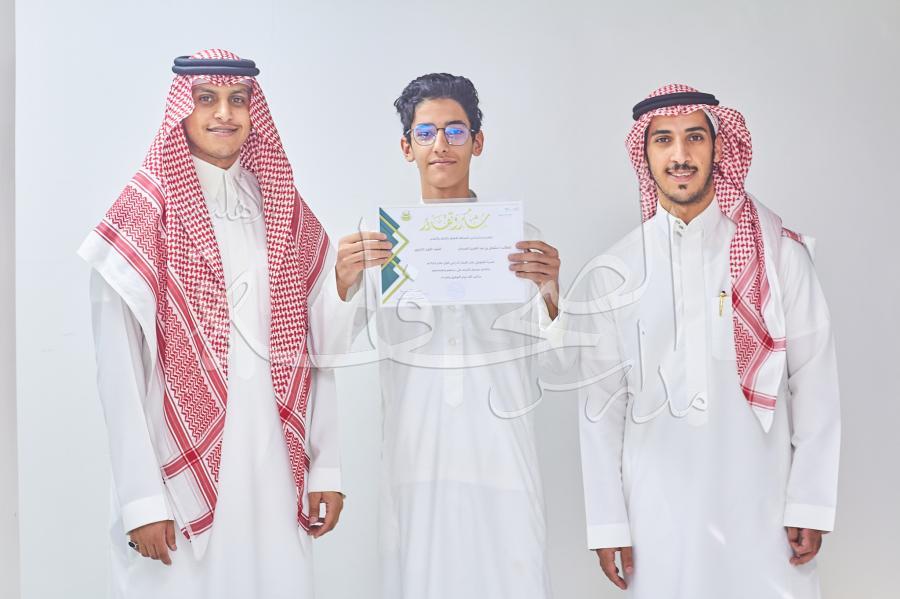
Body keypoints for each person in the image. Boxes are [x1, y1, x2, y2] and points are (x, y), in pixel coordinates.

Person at [78, 49, 353, 598]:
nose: (224, 113)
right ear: (182, 109)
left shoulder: (281, 208)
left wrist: (325, 469)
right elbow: (119, 370)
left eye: (238, 99)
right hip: (173, 475)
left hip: (275, 466)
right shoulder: (141, 215)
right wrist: (142, 501)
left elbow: (315, 350)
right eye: (206, 99)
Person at [566, 84, 841, 598]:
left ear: (718, 147)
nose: (680, 155)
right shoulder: (615, 271)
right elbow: (600, 410)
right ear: (644, 155)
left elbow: (815, 380)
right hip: (656, 516)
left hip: (762, 506)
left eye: (694, 137)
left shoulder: (779, 256)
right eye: (663, 140)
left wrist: (810, 501)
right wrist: (607, 523)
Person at [333, 73, 559, 598]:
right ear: (406, 147)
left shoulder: (521, 241)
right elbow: (333, 346)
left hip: (504, 457)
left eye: (455, 131)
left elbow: (561, 364)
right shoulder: (379, 241)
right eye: (426, 132)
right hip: (417, 459)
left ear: (477, 142)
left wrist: (552, 293)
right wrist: (343, 282)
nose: (441, 145)